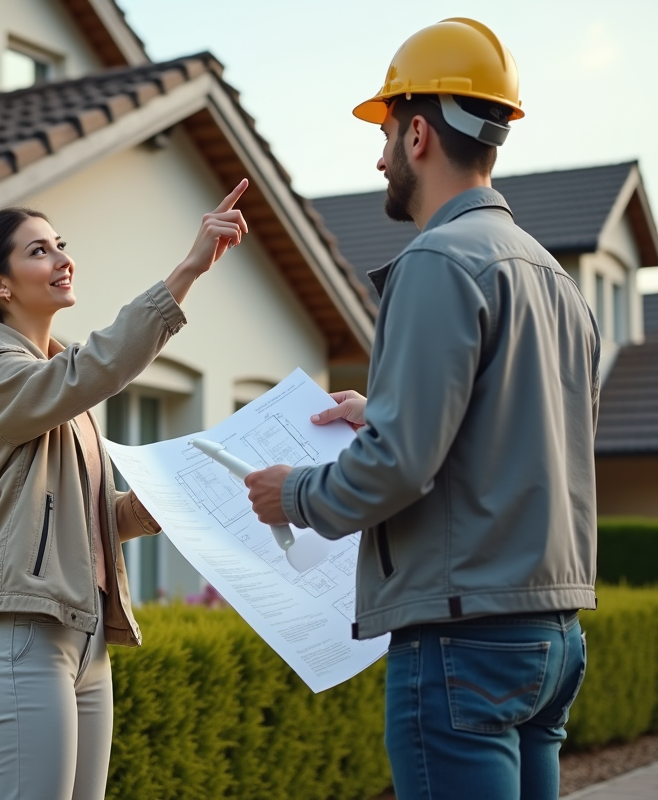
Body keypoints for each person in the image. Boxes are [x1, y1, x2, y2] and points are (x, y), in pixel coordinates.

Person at [244, 18, 599, 800]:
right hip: (552, 635)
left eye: (385, 135)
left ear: (417, 134)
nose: (379, 158)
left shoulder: (438, 260)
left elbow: (400, 466)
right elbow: (522, 437)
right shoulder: (556, 279)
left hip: (461, 643)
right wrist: (386, 408)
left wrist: (292, 495)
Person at [0, 179, 249, 800]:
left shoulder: (55, 385)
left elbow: (92, 517)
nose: (62, 258)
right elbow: (97, 368)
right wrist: (188, 269)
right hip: (23, 637)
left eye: (61, 244)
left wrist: (171, 495)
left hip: (85, 638)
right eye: (39, 251)